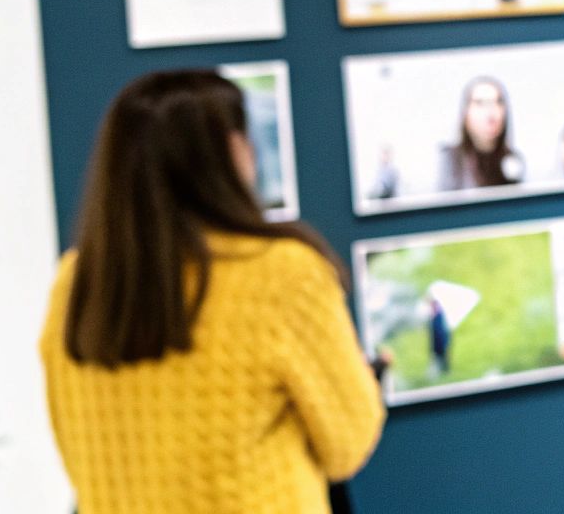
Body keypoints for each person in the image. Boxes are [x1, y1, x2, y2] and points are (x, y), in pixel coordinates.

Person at [41, 71, 384, 514]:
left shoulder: (77, 281)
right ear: (233, 150)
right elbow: (348, 446)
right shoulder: (281, 275)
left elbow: (73, 449)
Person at [438, 76, 524, 191]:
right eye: (480, 103)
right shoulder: (448, 160)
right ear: (465, 113)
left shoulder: (514, 161)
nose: (491, 113)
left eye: (498, 102)